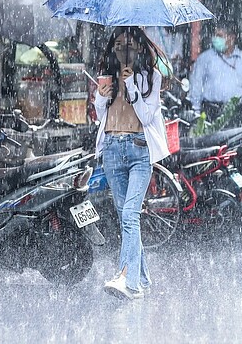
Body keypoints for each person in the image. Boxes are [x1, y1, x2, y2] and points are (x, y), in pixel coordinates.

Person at [94, 26, 170, 300]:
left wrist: (132, 86)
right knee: (124, 216)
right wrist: (102, 95)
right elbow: (100, 115)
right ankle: (144, 278)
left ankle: (128, 279)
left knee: (130, 216)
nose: (123, 51)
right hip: (113, 151)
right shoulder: (109, 76)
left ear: (140, 48)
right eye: (118, 45)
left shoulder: (152, 77)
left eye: (129, 45)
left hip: (139, 150)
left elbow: (148, 117)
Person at [189, 21, 242, 126]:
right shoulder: (205, 59)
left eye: (219, 36)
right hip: (210, 114)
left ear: (231, 38)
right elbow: (196, 87)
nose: (215, 39)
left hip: (236, 115)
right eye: (214, 35)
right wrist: (196, 114)